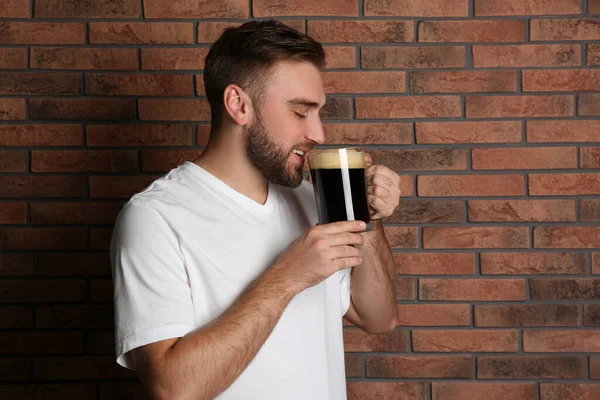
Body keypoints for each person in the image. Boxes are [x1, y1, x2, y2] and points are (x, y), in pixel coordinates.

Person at [110, 19, 401, 400]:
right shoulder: (154, 218)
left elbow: (380, 318)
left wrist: (369, 221)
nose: (319, 134)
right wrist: (287, 277)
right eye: (301, 111)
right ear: (238, 105)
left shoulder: (311, 200)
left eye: (318, 112)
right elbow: (172, 389)